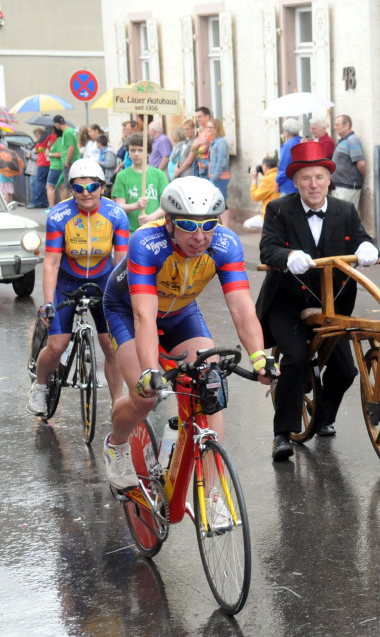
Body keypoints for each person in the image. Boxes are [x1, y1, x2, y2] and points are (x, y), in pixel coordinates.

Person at [100, 176, 276, 489]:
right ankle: (117, 444)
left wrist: (260, 356)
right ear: (168, 221)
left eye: (209, 224)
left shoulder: (225, 244)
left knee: (212, 385)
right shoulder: (146, 242)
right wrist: (150, 370)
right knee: (144, 397)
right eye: (188, 225)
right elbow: (144, 315)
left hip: (181, 313)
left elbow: (241, 308)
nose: (200, 237)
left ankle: (212, 494)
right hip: (128, 311)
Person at [255, 141, 378, 461]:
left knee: (346, 371)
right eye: (306, 178)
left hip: (330, 304)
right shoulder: (279, 209)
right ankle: (282, 434)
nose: (313, 185)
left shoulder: (345, 210)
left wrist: (368, 248)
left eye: (319, 177)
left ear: (328, 181)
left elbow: (362, 238)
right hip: (287, 302)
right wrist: (288, 255)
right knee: (294, 359)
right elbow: (267, 249)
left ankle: (323, 418)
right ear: (295, 182)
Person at [27, 159, 130, 416]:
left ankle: (118, 403)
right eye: (79, 187)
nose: (86, 192)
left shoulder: (116, 215)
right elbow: (51, 262)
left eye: (92, 186)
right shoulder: (59, 216)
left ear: (102, 188)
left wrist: (128, 299)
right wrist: (48, 303)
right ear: (71, 188)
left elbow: (124, 264)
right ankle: (39, 387)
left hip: (103, 281)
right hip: (67, 281)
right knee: (57, 345)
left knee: (111, 345)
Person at [111, 133, 169, 232]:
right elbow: (119, 206)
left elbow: (166, 205)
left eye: (140, 150)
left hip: (156, 229)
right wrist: (136, 206)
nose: (136, 154)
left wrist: (150, 218)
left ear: (148, 152)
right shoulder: (122, 176)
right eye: (132, 150)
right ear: (128, 152)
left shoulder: (159, 175)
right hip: (131, 231)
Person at [330, 114, 365, 206]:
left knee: (345, 215)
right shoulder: (344, 140)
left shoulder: (352, 141)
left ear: (347, 125)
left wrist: (361, 178)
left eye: (337, 125)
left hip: (348, 186)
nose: (335, 127)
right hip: (341, 185)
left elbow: (361, 164)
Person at [47, 115, 79, 207]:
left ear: (57, 124)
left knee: (68, 186)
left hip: (69, 161)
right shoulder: (71, 131)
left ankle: (71, 207)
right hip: (72, 161)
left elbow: (71, 148)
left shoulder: (66, 132)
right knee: (69, 185)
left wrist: (66, 161)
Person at [205, 118, 231, 226]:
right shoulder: (215, 141)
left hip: (220, 177)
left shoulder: (221, 142)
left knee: (221, 201)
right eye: (208, 127)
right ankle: (220, 225)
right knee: (217, 201)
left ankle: (226, 226)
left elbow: (221, 161)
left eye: (210, 127)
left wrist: (215, 176)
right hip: (215, 176)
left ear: (217, 128)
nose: (208, 130)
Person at [275, 118, 303, 196]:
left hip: (289, 186)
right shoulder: (303, 142)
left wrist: (278, 182)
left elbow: (284, 167)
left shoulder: (288, 146)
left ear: (286, 133)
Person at [30, 126, 55, 208]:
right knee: (45, 183)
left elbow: (39, 150)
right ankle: (44, 201)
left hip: (43, 163)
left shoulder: (46, 136)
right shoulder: (52, 135)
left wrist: (40, 148)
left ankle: (39, 201)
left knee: (40, 182)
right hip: (48, 162)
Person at [188, 107, 214, 179]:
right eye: (196, 117)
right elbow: (192, 148)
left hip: (206, 163)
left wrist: (196, 147)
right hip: (200, 163)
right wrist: (199, 145)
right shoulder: (202, 131)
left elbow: (204, 149)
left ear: (207, 117)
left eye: (199, 116)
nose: (197, 119)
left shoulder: (210, 132)